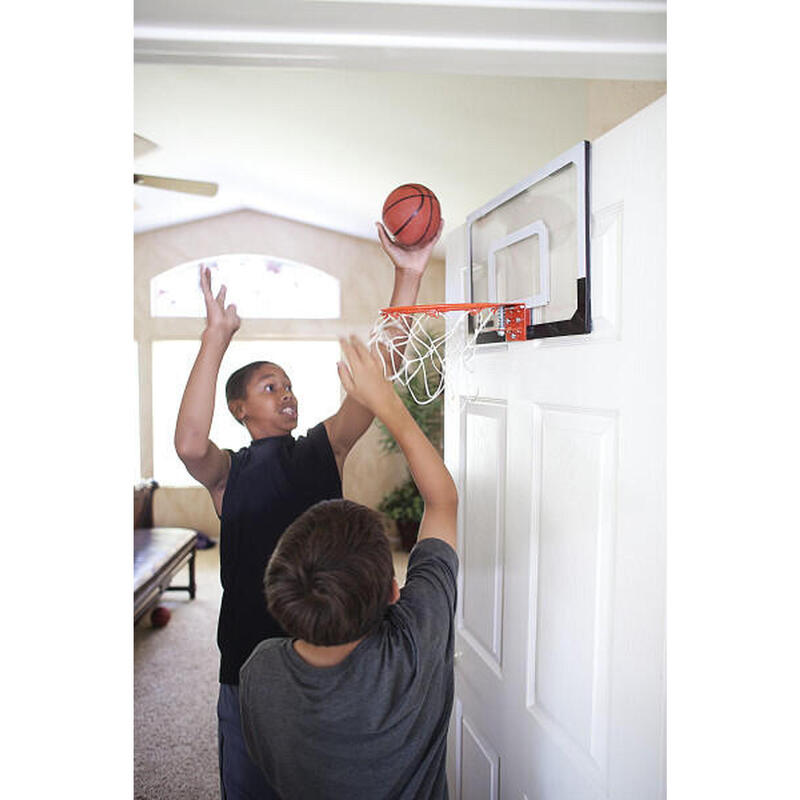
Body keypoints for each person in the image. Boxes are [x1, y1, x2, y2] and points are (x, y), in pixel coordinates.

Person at [174, 223, 441, 800]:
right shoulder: (229, 472)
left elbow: (379, 382)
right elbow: (190, 445)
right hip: (245, 664)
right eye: (270, 387)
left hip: (334, 656)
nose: (286, 393)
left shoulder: (321, 448)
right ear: (240, 408)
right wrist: (215, 338)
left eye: (289, 385)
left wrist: (408, 273)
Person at [239, 335, 459, 800]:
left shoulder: (259, 672)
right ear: (393, 591)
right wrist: (389, 405)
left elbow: (442, 505)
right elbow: (442, 502)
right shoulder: (414, 645)